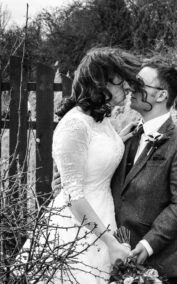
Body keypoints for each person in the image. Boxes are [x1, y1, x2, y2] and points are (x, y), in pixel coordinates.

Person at [28, 47, 143, 283]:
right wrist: (110, 243)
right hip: (78, 228)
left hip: (104, 215)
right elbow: (72, 197)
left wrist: (118, 141)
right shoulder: (74, 125)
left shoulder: (100, 119)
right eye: (121, 83)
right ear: (100, 83)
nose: (128, 88)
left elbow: (94, 155)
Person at [111, 62, 177, 284]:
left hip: (165, 264)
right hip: (121, 258)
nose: (132, 88)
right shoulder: (127, 135)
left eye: (139, 83)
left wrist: (148, 244)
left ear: (161, 95)